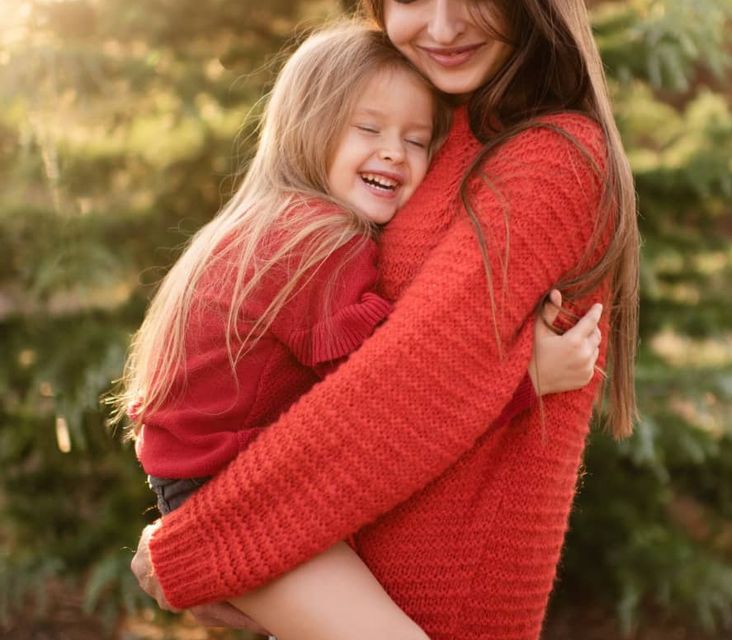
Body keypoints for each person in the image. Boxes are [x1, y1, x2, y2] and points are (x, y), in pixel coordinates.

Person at [117, 19, 606, 640]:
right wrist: (529, 376)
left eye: (417, 140)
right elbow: (387, 397)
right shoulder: (319, 244)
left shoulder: (272, 221)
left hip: (216, 483)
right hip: (234, 495)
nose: (394, 153)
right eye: (368, 130)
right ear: (308, 128)